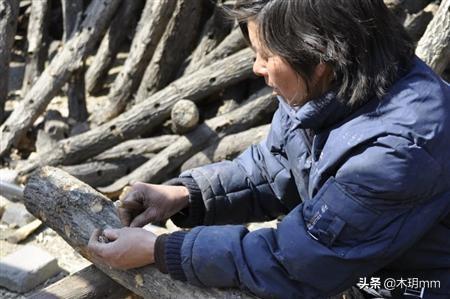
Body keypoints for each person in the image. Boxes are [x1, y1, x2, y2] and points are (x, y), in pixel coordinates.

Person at [87, 1, 450, 298]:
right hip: (362, 273)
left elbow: (301, 262)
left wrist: (161, 250)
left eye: (265, 54)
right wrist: (185, 195)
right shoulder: (323, 90)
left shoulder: (400, 149)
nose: (256, 67)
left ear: (320, 55)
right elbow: (274, 167)